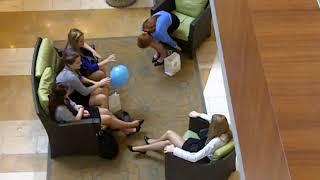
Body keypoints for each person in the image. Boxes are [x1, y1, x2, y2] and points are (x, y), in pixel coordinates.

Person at [127, 111, 232, 163]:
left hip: (197, 152)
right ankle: (148, 144)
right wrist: (199, 114)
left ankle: (144, 147)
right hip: (200, 145)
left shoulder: (214, 142)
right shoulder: (226, 130)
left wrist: (174, 150)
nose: (210, 125)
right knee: (168, 138)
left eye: (212, 125)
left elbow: (194, 158)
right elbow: (212, 119)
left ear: (215, 128)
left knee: (168, 137)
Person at [48, 84, 144, 135]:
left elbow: (72, 103)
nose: (68, 93)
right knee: (108, 119)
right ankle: (130, 125)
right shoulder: (61, 109)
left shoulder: (62, 98)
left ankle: (125, 130)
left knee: (106, 112)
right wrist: (81, 111)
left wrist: (78, 108)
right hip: (76, 125)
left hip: (78, 114)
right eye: (66, 92)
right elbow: (75, 121)